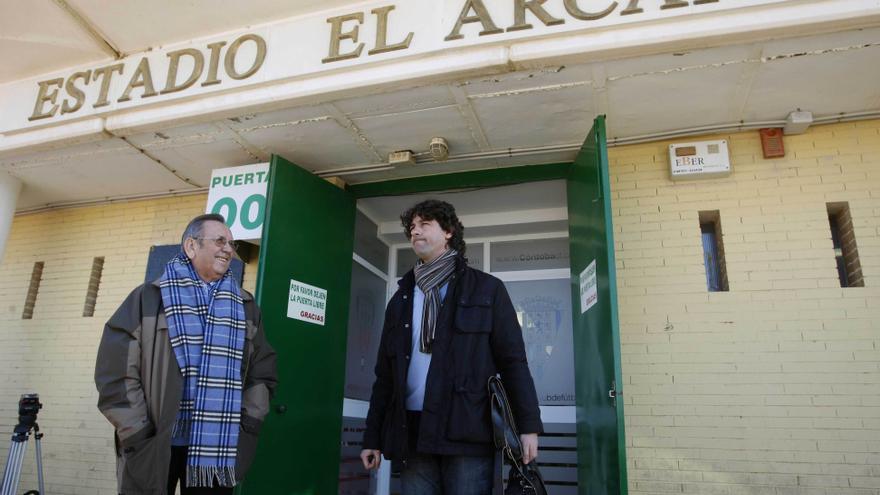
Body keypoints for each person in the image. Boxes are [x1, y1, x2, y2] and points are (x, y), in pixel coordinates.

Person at [360, 200, 542, 494]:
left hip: (468, 433)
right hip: (413, 435)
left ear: (448, 232)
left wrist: (528, 426)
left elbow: (513, 362)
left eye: (424, 224)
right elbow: (385, 377)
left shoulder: (487, 290)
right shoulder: (401, 300)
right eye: (411, 227)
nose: (415, 232)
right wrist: (372, 439)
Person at [95, 213, 277, 495]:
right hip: (155, 442)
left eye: (231, 243)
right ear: (191, 246)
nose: (228, 249)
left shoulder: (246, 307)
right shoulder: (149, 298)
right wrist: (137, 432)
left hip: (217, 445)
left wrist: (250, 422)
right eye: (219, 241)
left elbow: (262, 370)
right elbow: (116, 372)